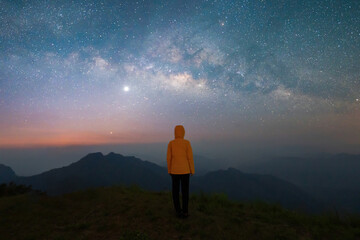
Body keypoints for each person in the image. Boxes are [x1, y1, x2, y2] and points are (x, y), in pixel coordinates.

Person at [167, 125, 195, 218]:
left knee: (175, 192)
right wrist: (192, 170)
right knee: (185, 192)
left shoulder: (171, 143)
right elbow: (190, 158)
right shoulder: (187, 143)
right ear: (183, 132)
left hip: (174, 171)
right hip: (185, 171)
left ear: (175, 132)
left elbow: (169, 158)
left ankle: (178, 211)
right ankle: (185, 211)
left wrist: (169, 170)